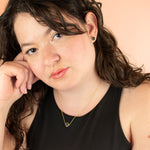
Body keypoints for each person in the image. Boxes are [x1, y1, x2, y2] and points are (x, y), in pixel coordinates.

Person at [0, 0, 150, 149]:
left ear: (91, 27)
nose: (49, 60)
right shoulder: (27, 113)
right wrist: (2, 101)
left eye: (57, 35)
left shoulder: (142, 102)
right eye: (32, 50)